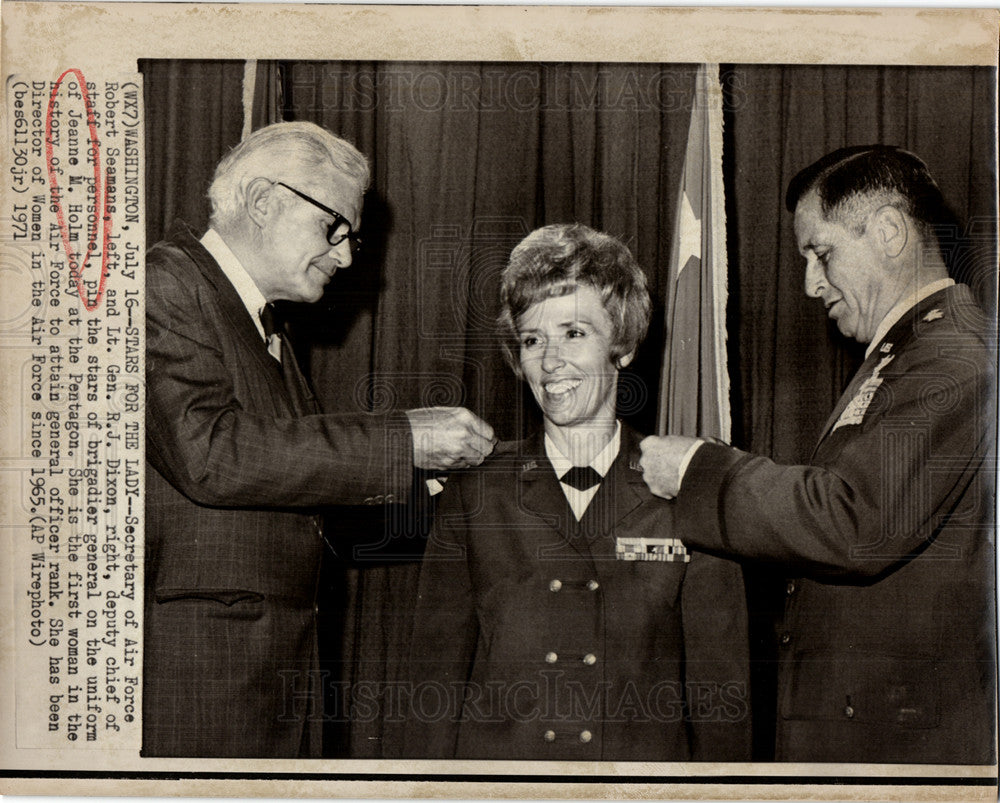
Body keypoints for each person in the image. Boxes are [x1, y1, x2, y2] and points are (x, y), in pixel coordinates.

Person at [143, 121, 495, 758]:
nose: (347, 255)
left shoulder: (260, 326)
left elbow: (292, 496)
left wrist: (430, 478)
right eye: (336, 228)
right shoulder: (167, 284)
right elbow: (210, 455)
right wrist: (401, 443)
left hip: (263, 670)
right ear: (262, 201)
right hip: (203, 672)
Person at [639, 145, 996, 764]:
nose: (809, 284)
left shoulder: (953, 360)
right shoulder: (908, 357)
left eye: (821, 253)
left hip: (901, 739)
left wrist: (699, 468)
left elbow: (853, 522)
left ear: (888, 230)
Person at [402, 224, 751, 761]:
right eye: (532, 340)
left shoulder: (687, 487)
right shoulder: (476, 492)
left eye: (574, 333)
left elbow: (719, 694)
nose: (549, 361)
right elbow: (434, 681)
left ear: (623, 346)